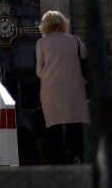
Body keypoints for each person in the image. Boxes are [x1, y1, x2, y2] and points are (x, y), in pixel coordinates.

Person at [35, 11, 88, 164]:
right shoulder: (75, 40)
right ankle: (76, 156)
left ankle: (57, 162)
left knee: (53, 127)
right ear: (64, 23)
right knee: (75, 126)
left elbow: (39, 71)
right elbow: (85, 60)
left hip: (51, 90)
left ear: (45, 25)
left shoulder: (41, 43)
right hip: (74, 88)